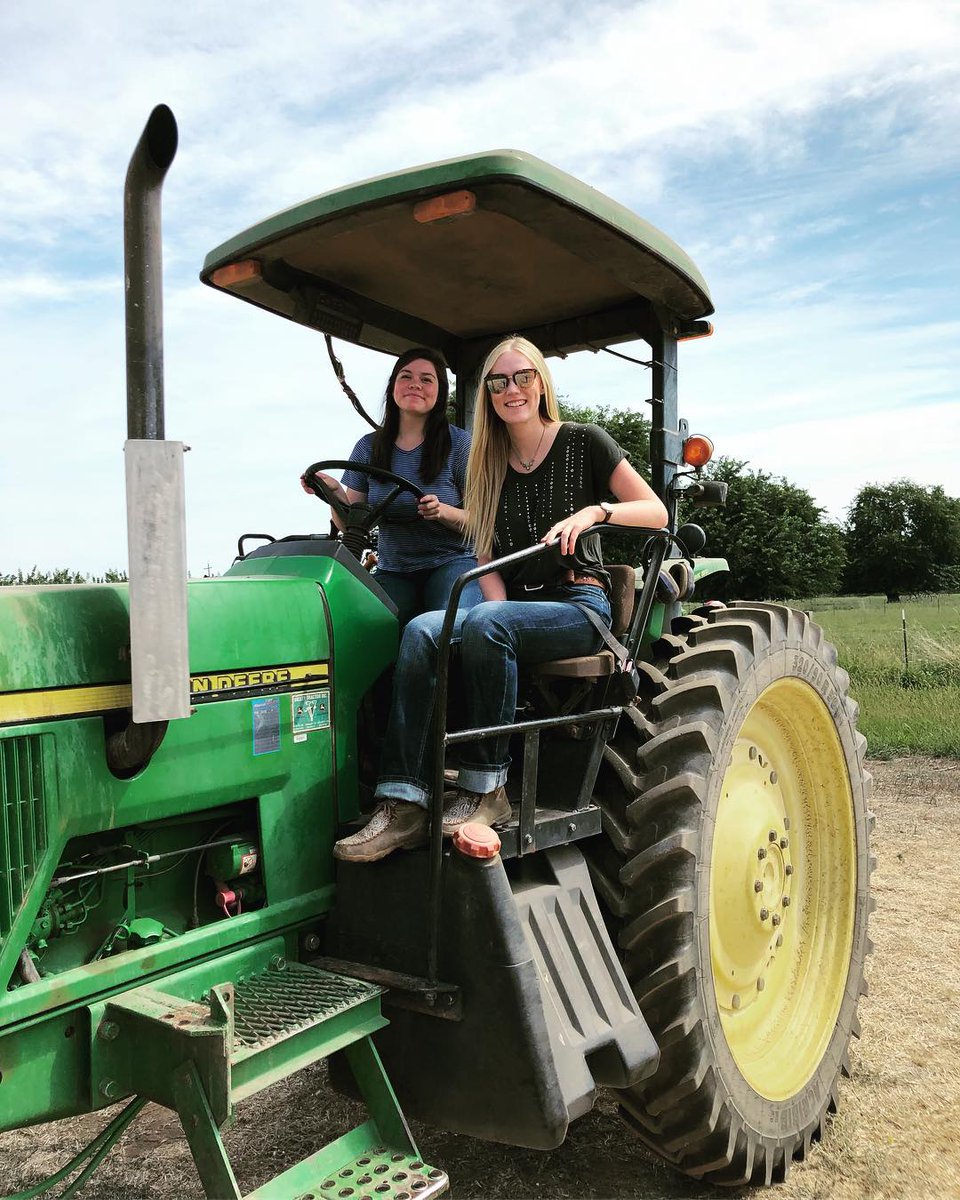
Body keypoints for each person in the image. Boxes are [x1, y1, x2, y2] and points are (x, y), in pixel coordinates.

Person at [334, 335, 669, 863]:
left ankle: (488, 788)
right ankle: (403, 802)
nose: (511, 389)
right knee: (422, 629)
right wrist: (490, 605)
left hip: (578, 607)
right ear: (488, 394)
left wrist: (596, 513)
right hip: (510, 607)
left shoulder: (585, 442)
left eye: (522, 377)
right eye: (498, 382)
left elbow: (656, 511)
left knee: (487, 622)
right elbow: (485, 553)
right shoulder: (486, 462)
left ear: (541, 382)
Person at [304, 347, 481, 625]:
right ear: (393, 387)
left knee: (444, 625)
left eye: (426, 379)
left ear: (440, 392)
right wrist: (334, 493)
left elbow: (481, 521)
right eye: (406, 376)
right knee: (361, 627)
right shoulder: (368, 447)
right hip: (394, 569)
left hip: (451, 561)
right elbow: (350, 526)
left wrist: (442, 512)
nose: (415, 384)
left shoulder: (459, 445)